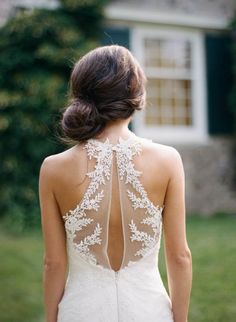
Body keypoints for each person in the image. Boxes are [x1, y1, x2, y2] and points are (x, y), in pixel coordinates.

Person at [39, 45, 192, 322]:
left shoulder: (53, 169)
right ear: (135, 92)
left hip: (80, 312)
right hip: (149, 311)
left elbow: (53, 263)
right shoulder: (168, 160)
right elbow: (180, 256)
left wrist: (52, 318)